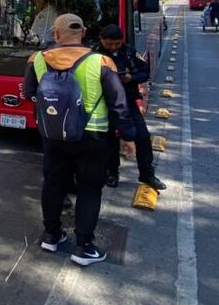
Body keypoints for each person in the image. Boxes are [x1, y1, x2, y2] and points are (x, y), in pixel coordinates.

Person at [23, 14, 133, 267]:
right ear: (83, 33)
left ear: (56, 34)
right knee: (89, 189)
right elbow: (119, 104)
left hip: (52, 135)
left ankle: (51, 236)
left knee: (53, 185)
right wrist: (128, 137)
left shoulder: (36, 59)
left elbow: (29, 93)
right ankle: (83, 247)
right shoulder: (101, 61)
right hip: (92, 136)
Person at [98, 25, 165, 191]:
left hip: (128, 101)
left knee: (143, 136)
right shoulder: (95, 55)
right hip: (104, 103)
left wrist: (131, 78)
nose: (113, 47)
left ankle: (147, 174)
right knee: (109, 140)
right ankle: (111, 172)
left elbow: (145, 72)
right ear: (102, 40)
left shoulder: (129, 52)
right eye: (109, 44)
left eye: (117, 43)